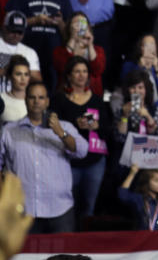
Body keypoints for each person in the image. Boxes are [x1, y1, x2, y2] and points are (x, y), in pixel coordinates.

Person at [0, 82, 89, 233]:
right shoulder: (9, 130)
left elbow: (82, 150)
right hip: (22, 210)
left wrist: (60, 133)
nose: (36, 101)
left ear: (47, 101)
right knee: (24, 257)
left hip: (60, 209)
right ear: (25, 100)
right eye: (32, 97)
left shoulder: (65, 127)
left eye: (41, 97)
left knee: (63, 256)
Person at [50, 56, 109, 220]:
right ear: (69, 75)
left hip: (94, 161)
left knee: (89, 208)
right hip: (69, 161)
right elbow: (52, 128)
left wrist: (96, 126)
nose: (81, 75)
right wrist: (73, 125)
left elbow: (108, 129)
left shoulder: (97, 100)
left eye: (84, 71)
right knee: (68, 208)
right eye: (77, 71)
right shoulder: (59, 100)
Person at [5, 0, 72, 88]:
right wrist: (34, 20)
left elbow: (69, 31)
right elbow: (8, 23)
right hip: (25, 50)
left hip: (53, 54)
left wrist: (59, 23)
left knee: (50, 89)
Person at [52, 13, 106, 96]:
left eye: (83, 23)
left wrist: (90, 44)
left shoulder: (98, 50)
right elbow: (62, 67)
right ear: (69, 27)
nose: (80, 26)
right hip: (67, 95)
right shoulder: (59, 50)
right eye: (77, 23)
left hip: (92, 95)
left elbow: (97, 70)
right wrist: (73, 38)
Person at [119, 34, 158, 111]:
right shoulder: (129, 66)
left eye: (152, 45)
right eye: (146, 45)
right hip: (135, 106)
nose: (150, 48)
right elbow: (126, 84)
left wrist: (157, 69)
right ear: (141, 48)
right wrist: (139, 67)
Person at [113, 68, 158, 141]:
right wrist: (125, 116)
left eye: (140, 87)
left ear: (146, 90)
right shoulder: (121, 111)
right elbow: (120, 138)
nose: (136, 91)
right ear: (128, 90)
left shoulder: (157, 110)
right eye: (133, 87)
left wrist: (148, 116)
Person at [0, 11, 41, 87]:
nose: (16, 35)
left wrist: (16, 71)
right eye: (12, 31)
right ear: (4, 27)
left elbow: (37, 79)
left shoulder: (30, 52)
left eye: (19, 32)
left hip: (20, 96)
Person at [0, 54, 30, 122]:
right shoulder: (1, 99)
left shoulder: (35, 100)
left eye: (26, 74)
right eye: (18, 74)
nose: (23, 78)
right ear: (10, 76)